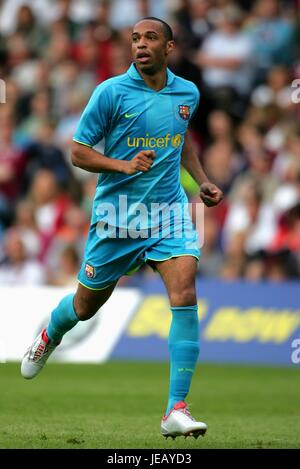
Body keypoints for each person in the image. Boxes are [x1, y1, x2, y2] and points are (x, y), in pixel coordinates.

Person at [21, 17, 223, 439]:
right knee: (84, 306)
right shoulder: (110, 93)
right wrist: (122, 164)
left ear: (169, 47)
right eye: (135, 39)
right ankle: (50, 332)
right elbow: (77, 152)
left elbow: (182, 139)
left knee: (185, 291)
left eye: (150, 38)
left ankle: (176, 408)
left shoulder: (188, 92)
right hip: (118, 216)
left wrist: (201, 179)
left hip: (169, 213)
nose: (140, 45)